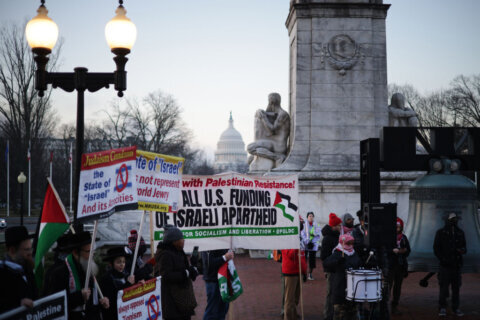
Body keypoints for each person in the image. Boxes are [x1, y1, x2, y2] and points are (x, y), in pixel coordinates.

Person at [48, 231, 109, 320]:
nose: (92, 255)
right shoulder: (59, 273)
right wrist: (79, 296)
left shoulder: (89, 269)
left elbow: (92, 300)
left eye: (93, 251)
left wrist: (102, 302)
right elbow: (55, 305)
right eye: (88, 251)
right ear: (76, 252)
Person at [155, 225, 198, 320]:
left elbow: (184, 268)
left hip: (182, 299)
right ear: (174, 241)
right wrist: (186, 273)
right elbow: (166, 275)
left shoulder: (178, 251)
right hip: (172, 302)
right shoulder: (166, 254)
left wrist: (192, 269)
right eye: (181, 239)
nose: (183, 241)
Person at [434, 212, 466, 317]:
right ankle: (442, 307)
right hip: (445, 265)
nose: (454, 221)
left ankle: (455, 308)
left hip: (456, 265)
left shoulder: (460, 233)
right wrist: (442, 259)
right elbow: (436, 248)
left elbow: (464, 247)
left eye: (455, 219)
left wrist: (461, 250)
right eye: (452, 219)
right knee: (444, 287)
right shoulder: (440, 233)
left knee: (456, 288)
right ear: (447, 220)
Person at [247, 92, 291, 170]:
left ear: (271, 101)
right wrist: (259, 111)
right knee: (250, 158)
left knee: (250, 147)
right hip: (273, 143)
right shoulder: (280, 113)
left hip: (278, 146)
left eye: (269, 101)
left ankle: (277, 157)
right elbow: (266, 112)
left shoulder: (283, 114)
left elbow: (272, 130)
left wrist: (263, 117)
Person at [323, 234, 362, 320]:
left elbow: (358, 264)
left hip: (353, 291)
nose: (351, 245)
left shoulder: (354, 253)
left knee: (353, 315)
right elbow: (326, 263)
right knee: (340, 315)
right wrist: (337, 261)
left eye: (352, 243)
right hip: (340, 290)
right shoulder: (337, 253)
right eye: (348, 243)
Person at [0, 226, 37, 313]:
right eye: (26, 250)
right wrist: (18, 304)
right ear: (12, 250)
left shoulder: (27, 269)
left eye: (30, 249)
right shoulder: (2, 274)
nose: (30, 253)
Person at [101, 246, 138, 320]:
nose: (122, 264)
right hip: (113, 315)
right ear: (111, 264)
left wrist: (138, 284)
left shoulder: (126, 275)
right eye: (118, 262)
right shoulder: (106, 278)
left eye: (123, 262)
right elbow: (114, 296)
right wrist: (128, 284)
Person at [320, 213, 342, 320]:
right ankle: (328, 315)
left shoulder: (337, 237)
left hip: (336, 269)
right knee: (330, 293)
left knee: (335, 292)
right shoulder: (328, 239)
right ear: (333, 226)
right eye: (338, 225)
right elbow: (324, 257)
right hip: (331, 270)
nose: (340, 227)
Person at [387, 217, 411, 315]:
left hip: (400, 266)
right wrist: (392, 251)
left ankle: (394, 307)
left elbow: (408, 250)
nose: (397, 228)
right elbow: (384, 250)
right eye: (396, 226)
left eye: (399, 227)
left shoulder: (404, 238)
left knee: (398, 287)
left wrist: (402, 251)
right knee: (388, 286)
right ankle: (385, 307)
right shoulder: (388, 237)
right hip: (390, 266)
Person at [202, 249, 234, 320]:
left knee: (222, 310)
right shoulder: (209, 243)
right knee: (212, 312)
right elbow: (208, 263)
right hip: (213, 280)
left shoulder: (222, 242)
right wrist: (225, 257)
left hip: (223, 279)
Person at [281, 247, 307, 320]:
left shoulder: (298, 241)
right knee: (289, 299)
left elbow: (302, 257)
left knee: (296, 298)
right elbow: (290, 255)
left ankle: (293, 315)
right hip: (290, 272)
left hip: (299, 271)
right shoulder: (287, 241)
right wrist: (296, 246)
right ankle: (288, 317)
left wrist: (304, 271)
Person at [302, 211, 321, 280]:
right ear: (307, 217)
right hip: (305, 244)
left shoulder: (317, 225)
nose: (311, 217)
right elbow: (302, 234)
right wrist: (307, 241)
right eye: (309, 216)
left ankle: (310, 274)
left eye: (312, 216)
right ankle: (304, 273)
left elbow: (318, 234)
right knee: (304, 260)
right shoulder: (304, 224)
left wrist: (312, 240)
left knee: (312, 260)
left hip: (313, 245)